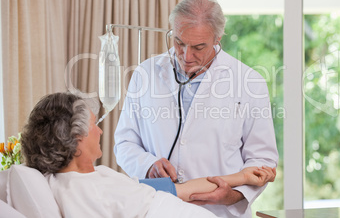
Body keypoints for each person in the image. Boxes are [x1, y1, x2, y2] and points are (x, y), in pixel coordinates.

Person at [114, 0, 279, 217]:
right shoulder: (146, 74)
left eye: (199, 47)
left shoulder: (249, 82)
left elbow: (262, 160)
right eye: (179, 42)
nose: (186, 55)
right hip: (158, 210)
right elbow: (124, 142)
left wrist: (232, 196)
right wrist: (147, 164)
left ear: (218, 39)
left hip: (219, 212)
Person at [20, 92, 275, 218]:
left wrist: (241, 177)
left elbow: (181, 190)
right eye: (93, 126)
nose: (99, 131)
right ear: (76, 140)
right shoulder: (79, 193)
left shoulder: (100, 176)